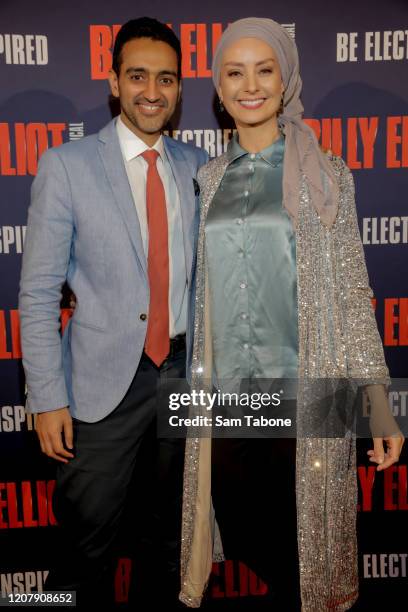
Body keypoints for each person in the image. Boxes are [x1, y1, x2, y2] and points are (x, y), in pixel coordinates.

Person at [179, 18, 405, 611]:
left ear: (286, 80)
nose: (249, 85)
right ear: (220, 89)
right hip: (226, 400)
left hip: (311, 395)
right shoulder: (207, 179)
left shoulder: (328, 176)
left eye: (264, 70)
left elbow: (355, 293)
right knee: (242, 529)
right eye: (235, 72)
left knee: (305, 559)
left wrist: (380, 407)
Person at [19, 17, 207, 609]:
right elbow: (38, 290)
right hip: (100, 389)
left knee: (169, 548)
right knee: (82, 552)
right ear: (114, 81)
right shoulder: (67, 166)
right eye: (138, 76)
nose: (152, 91)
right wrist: (47, 397)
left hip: (181, 375)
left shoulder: (198, 165)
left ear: (180, 88)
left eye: (166, 79)